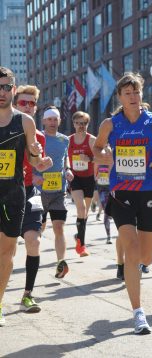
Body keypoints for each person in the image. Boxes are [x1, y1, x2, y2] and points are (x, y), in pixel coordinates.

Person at [93, 72, 152, 335]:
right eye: (127, 93)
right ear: (119, 96)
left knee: (145, 256)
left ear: (141, 94)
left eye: (136, 92)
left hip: (149, 190)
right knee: (131, 247)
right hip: (122, 192)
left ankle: (135, 270)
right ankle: (138, 312)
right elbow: (98, 148)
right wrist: (103, 154)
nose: (133, 97)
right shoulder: (110, 124)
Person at [0, 67, 52, 326]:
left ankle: (18, 297)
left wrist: (39, 159)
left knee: (21, 246)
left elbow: (36, 160)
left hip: (21, 194)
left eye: (6, 87)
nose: (2, 92)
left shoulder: (28, 125)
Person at [13, 85, 52, 313]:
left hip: (28, 193)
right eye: (23, 102)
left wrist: (42, 164)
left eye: (31, 103)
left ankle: (27, 295)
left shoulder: (38, 136)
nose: (27, 106)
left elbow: (37, 164)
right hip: (5, 193)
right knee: (5, 249)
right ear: (15, 103)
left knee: (33, 241)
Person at [34, 106, 74, 279]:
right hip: (39, 192)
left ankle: (60, 263)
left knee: (59, 227)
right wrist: (35, 176)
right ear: (43, 121)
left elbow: (66, 159)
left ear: (59, 121)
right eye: (49, 119)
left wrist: (68, 169)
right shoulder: (37, 138)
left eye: (55, 119)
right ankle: (33, 257)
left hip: (59, 190)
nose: (52, 122)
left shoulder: (64, 140)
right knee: (38, 229)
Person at [68, 111, 96, 256]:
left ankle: (79, 236)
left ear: (87, 124)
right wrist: (67, 170)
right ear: (73, 124)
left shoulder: (91, 140)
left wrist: (90, 159)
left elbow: (101, 158)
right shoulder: (69, 141)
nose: (81, 126)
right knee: (81, 208)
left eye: (84, 123)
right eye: (78, 123)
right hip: (75, 178)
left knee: (84, 214)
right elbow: (64, 159)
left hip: (89, 178)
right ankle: (81, 246)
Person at [95, 163, 112, 244]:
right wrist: (96, 176)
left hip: (112, 189)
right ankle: (108, 236)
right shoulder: (97, 159)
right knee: (106, 211)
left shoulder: (112, 159)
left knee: (109, 213)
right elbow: (94, 176)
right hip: (102, 189)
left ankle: (110, 236)